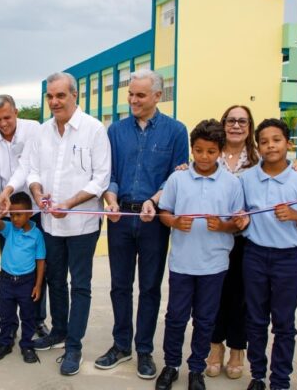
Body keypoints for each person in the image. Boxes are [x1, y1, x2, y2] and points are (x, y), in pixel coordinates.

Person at [97, 70, 188, 380]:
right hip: (120, 217)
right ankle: (121, 345)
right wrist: (110, 199)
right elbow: (109, 173)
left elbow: (176, 175)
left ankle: (145, 350)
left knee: (149, 287)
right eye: (130, 94)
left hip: (154, 220)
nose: (133, 100)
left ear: (157, 96)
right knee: (119, 286)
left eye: (140, 95)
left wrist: (156, 198)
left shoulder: (176, 131)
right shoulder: (115, 131)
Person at [27, 72, 111, 376]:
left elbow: (101, 178)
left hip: (83, 226)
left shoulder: (94, 130)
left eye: (60, 95)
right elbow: (32, 171)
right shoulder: (42, 132)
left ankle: (74, 347)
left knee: (81, 286)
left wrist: (70, 203)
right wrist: (37, 192)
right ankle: (59, 332)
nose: (54, 102)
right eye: (50, 96)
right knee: (55, 280)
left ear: (75, 96)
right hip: (51, 224)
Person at [153, 119, 245, 390]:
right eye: (199, 150)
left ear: (220, 151)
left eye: (211, 151)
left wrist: (224, 225)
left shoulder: (231, 183)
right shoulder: (177, 178)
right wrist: (173, 222)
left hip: (215, 265)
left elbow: (237, 222)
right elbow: (164, 211)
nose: (204, 157)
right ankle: (171, 365)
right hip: (182, 263)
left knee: (205, 319)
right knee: (176, 317)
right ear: (192, 149)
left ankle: (196, 369)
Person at [240, 118, 297, 390]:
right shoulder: (247, 178)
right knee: (256, 319)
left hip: (288, 260)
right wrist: (241, 220)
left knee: (284, 323)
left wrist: (296, 215)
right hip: (255, 255)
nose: (270, 146)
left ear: (289, 143)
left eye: (276, 140)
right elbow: (241, 215)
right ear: (257, 146)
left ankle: (280, 379)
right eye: (264, 141)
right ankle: (258, 375)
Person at [0, 94, 48, 338]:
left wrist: (8, 190)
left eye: (7, 117)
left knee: (37, 265)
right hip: (5, 212)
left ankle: (38, 319)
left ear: (16, 112)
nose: (3, 124)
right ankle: (8, 324)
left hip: (32, 210)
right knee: (12, 265)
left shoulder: (34, 129)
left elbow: (27, 167)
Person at [206, 105, 259, 379]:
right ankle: (215, 347)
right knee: (214, 295)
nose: (236, 125)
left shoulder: (260, 158)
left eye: (242, 121)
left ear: (250, 126)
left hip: (246, 240)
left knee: (241, 298)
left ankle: (238, 349)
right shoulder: (209, 155)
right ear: (223, 123)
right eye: (231, 120)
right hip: (213, 237)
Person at [0, 192, 46, 364]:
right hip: (6, 281)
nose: (14, 219)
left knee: (28, 316)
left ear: (29, 213)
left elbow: (41, 262)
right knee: (5, 314)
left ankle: (27, 345)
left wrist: (38, 285)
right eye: (12, 215)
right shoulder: (9, 229)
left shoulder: (37, 236)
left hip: (26, 283)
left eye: (19, 214)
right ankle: (4, 342)